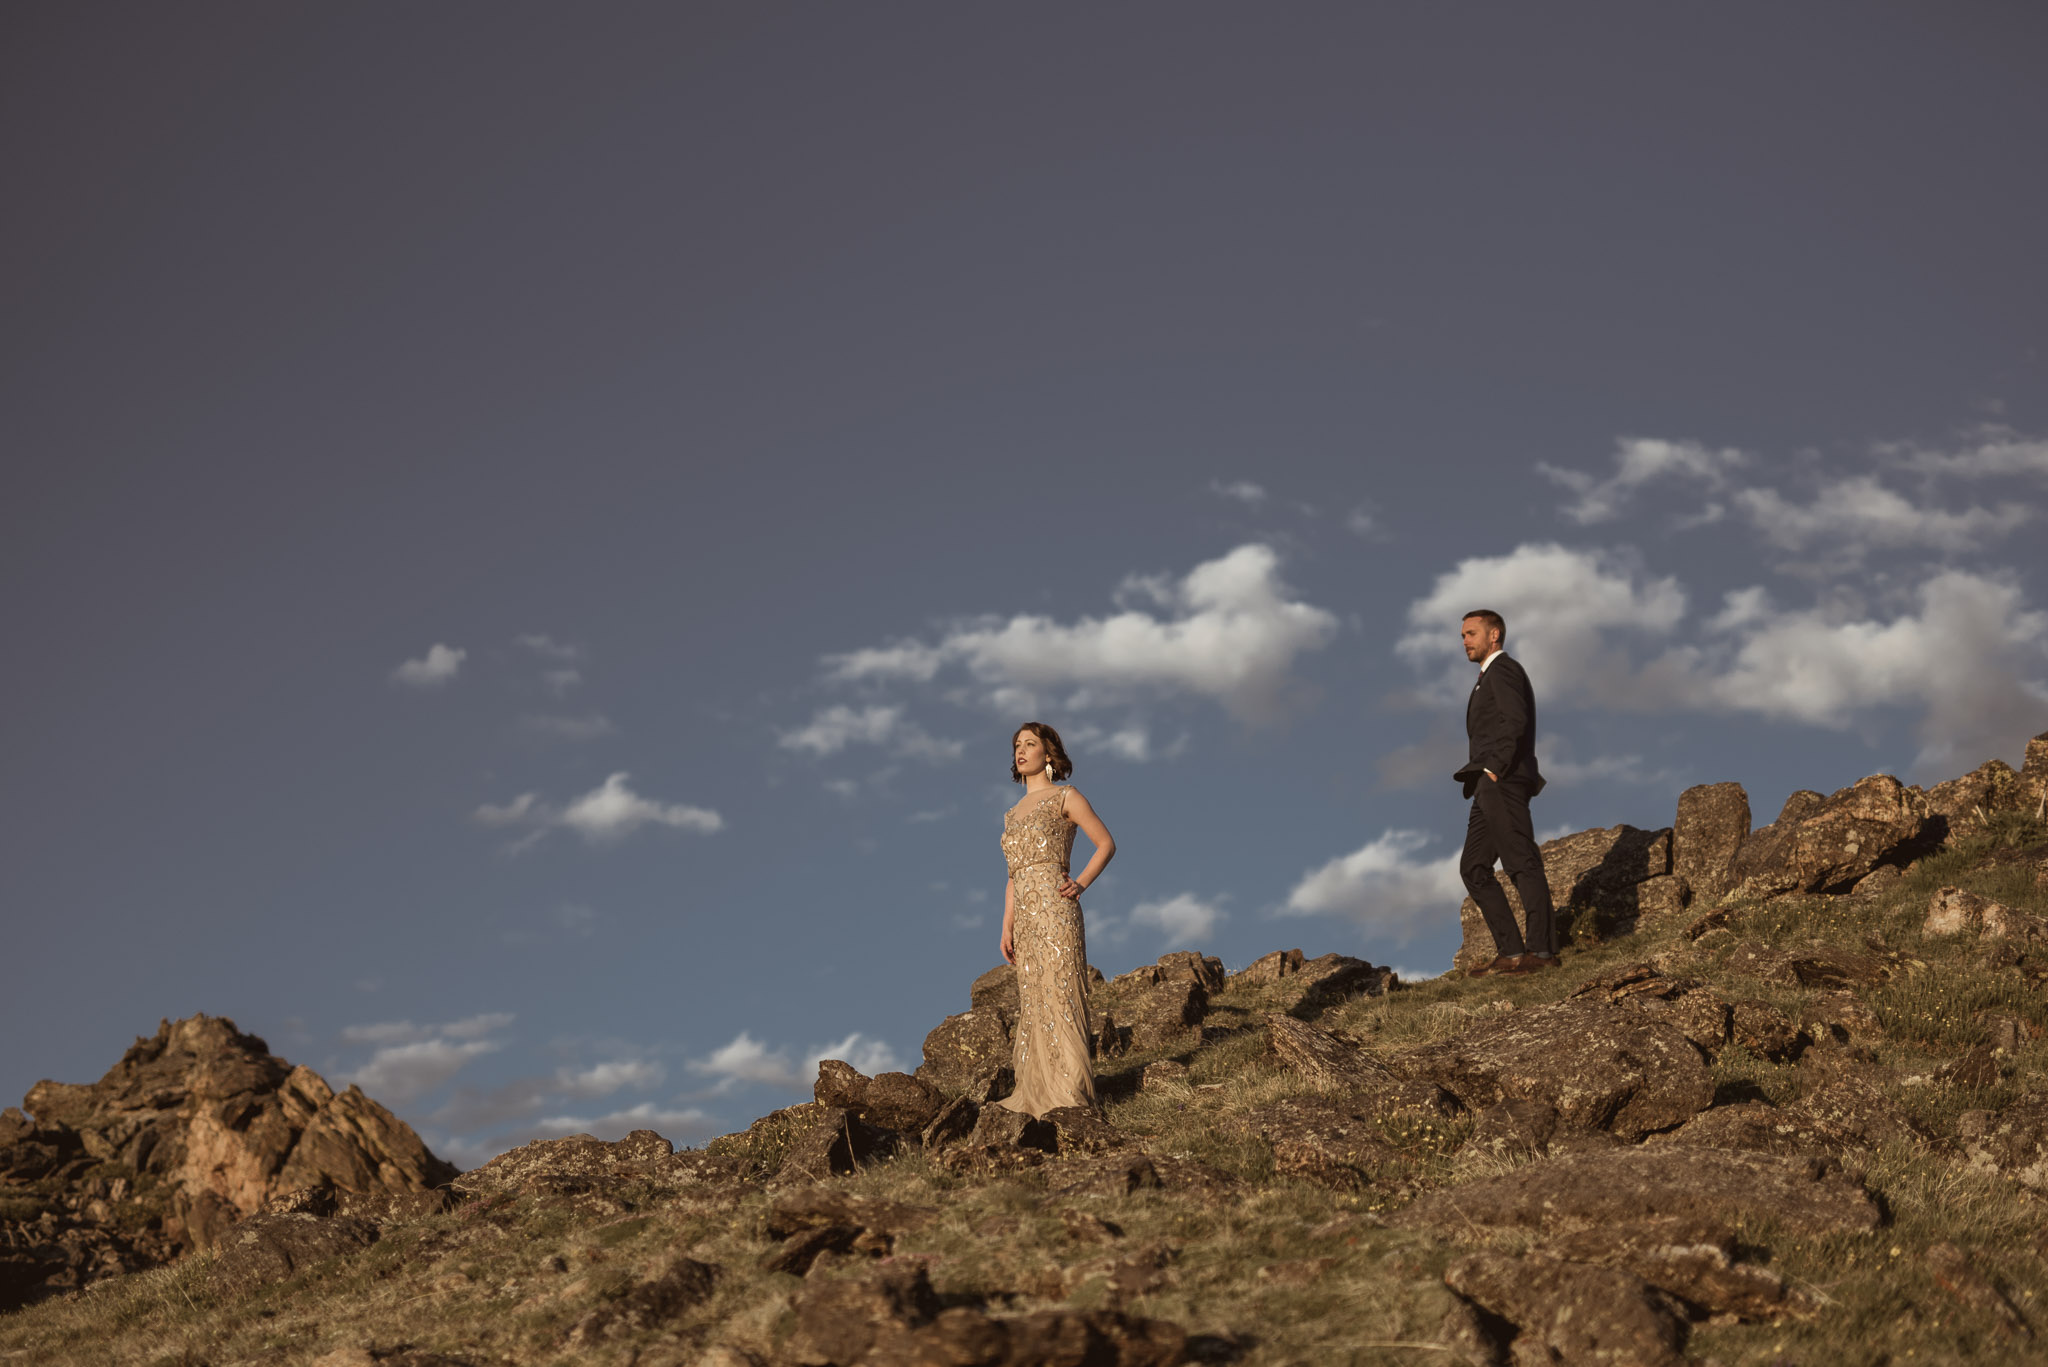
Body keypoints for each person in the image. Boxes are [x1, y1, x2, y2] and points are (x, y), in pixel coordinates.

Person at [994, 722, 1116, 1117]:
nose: (1021, 750)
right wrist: (1006, 925)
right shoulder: (1011, 815)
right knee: (1034, 1000)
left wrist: (1080, 883)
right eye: (1017, 745)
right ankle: (1037, 1093)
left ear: (1049, 754)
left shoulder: (1066, 796)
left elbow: (1105, 843)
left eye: (1030, 744)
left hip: (1056, 910)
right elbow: (1014, 873)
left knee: (1060, 993)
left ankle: (1070, 1092)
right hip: (1025, 920)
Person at [1452, 609, 1558, 976]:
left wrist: (1496, 768)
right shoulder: (1486, 678)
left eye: (1471, 633)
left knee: (1519, 859)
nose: (1464, 640)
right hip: (1486, 783)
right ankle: (1511, 953)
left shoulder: (1504, 670)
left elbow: (1516, 721)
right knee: (1474, 868)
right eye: (1463, 635)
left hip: (1503, 779)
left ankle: (1542, 952)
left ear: (1494, 635)